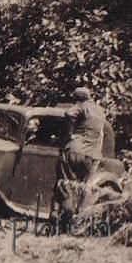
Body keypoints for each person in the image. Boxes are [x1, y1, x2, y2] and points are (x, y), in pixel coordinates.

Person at [53, 86, 107, 227]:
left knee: (65, 184)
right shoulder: (101, 112)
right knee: (84, 188)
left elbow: (69, 113)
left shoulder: (81, 106)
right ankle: (78, 221)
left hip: (74, 150)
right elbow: (101, 135)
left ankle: (64, 219)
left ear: (78, 100)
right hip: (93, 155)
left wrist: (68, 135)